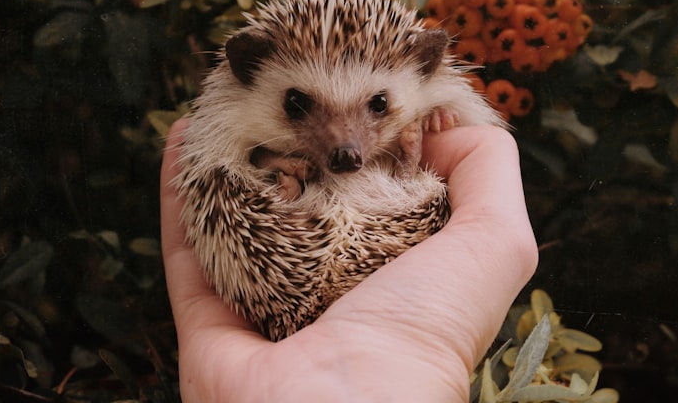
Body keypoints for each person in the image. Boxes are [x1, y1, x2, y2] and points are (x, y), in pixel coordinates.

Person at [161, 119, 538, 403]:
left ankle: (302, 190)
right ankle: (395, 173)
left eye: (376, 106)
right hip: (338, 231)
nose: (344, 144)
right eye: (299, 107)